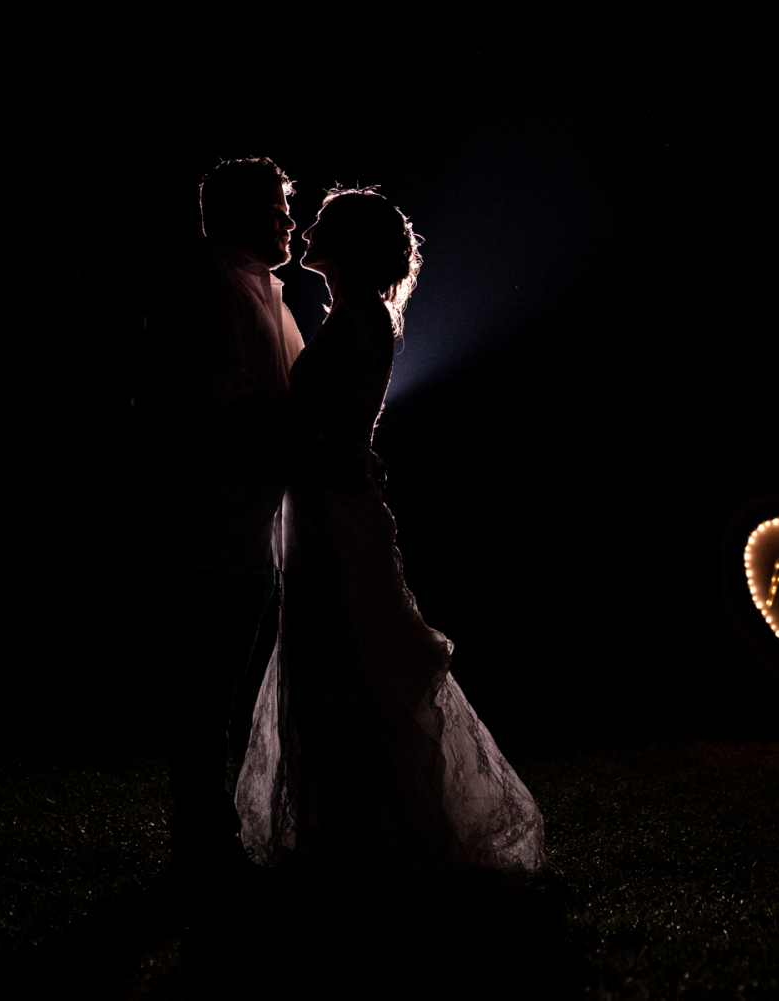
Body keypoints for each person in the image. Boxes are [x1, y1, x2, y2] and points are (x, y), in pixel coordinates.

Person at [235, 188, 548, 886]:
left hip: (333, 511)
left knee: (350, 658)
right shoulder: (361, 318)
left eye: (321, 223)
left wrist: (241, 416)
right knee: (341, 657)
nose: (306, 229)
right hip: (330, 505)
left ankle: (368, 833)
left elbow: (299, 431)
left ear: (345, 244)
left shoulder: (354, 322)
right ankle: (351, 827)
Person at [133, 157, 304, 882]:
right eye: (274, 209)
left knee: (222, 686)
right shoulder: (209, 289)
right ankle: (202, 837)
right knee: (206, 693)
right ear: (232, 215)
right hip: (206, 525)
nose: (288, 222)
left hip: (250, 526)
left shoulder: (269, 292)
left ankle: (209, 832)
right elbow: (233, 401)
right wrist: (316, 451)